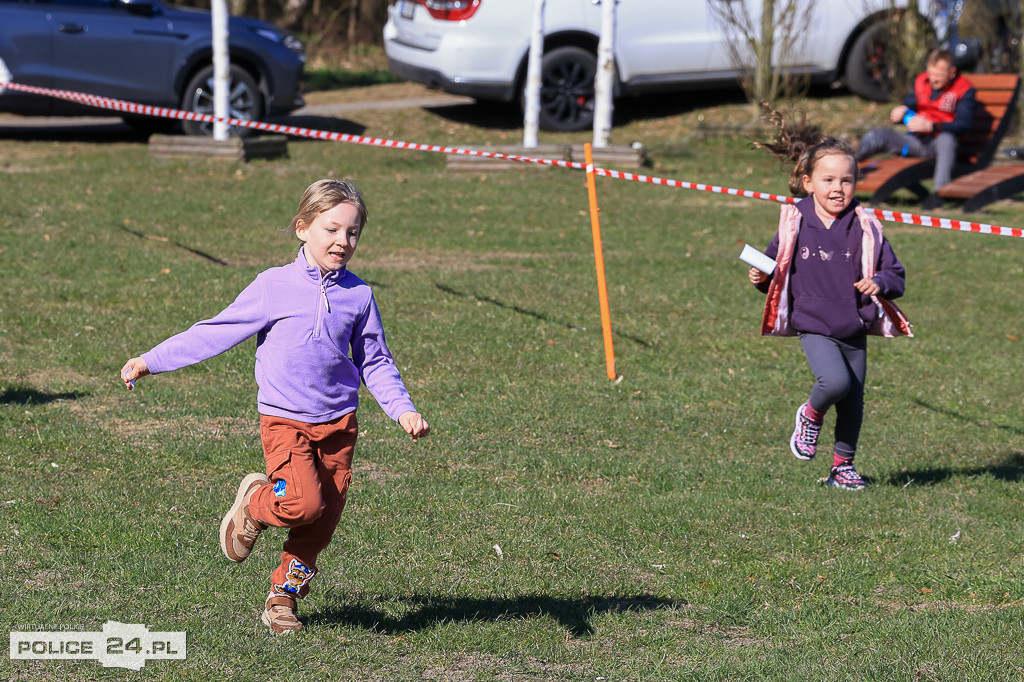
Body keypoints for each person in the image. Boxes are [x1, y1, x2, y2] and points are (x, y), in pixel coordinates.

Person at [120, 178, 430, 634]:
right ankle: (255, 503)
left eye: (353, 233)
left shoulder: (359, 295)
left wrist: (401, 408)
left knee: (321, 522)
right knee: (301, 502)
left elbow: (375, 361)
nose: (343, 241)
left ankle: (282, 598)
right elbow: (216, 331)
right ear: (303, 228)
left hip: (339, 426)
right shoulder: (272, 286)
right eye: (332, 229)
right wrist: (152, 360)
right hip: (286, 421)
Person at [748, 134, 912, 490]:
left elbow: (896, 276)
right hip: (814, 324)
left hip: (853, 325)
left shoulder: (866, 225)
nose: (838, 188)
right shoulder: (794, 221)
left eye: (846, 180)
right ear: (808, 183)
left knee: (853, 401)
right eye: (828, 180)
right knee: (834, 382)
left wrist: (880, 283)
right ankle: (810, 414)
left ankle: (843, 467)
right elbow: (774, 270)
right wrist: (761, 277)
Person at [856, 49, 975, 208]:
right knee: (877, 135)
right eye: (930, 73)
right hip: (915, 141)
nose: (933, 79)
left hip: (940, 145)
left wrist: (932, 126)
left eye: (938, 75)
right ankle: (842, 170)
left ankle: (939, 195)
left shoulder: (965, 90)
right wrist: (900, 112)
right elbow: (910, 104)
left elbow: (964, 125)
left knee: (947, 140)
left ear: (952, 72)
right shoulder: (921, 81)